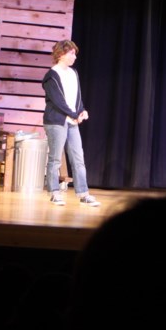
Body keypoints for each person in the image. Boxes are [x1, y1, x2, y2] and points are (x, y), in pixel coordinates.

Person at [42, 40, 100, 207]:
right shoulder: (51, 75)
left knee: (78, 158)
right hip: (56, 121)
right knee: (55, 159)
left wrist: (82, 111)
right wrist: (74, 114)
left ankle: (83, 194)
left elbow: (77, 97)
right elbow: (58, 101)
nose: (75, 57)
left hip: (72, 120)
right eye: (71, 53)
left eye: (75, 53)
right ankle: (54, 193)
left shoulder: (73, 73)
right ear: (61, 54)